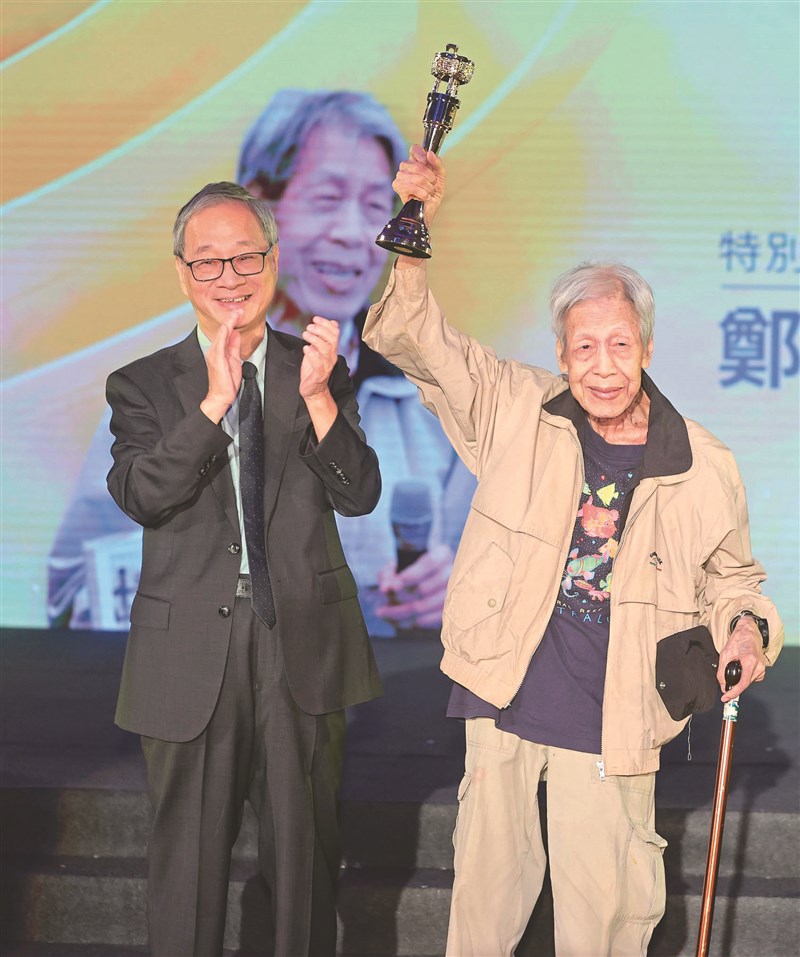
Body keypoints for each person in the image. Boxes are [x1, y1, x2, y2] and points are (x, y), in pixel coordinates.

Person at [362, 147, 784, 956]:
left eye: (619, 345)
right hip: (506, 697)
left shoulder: (703, 462)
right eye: (583, 347)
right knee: (482, 919)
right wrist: (414, 230)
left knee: (604, 924)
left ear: (647, 348)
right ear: (561, 354)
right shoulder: (515, 410)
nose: (602, 366)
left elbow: (734, 578)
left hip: (614, 713)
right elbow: (417, 338)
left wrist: (744, 627)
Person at [47, 90, 475, 636]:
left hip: (353, 668)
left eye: (373, 204)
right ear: (261, 212)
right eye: (326, 197)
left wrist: (448, 590)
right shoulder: (152, 387)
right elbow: (67, 590)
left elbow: (487, 573)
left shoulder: (426, 399)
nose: (351, 232)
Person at [107, 181, 382, 956]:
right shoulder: (142, 383)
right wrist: (213, 404)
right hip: (190, 650)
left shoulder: (317, 367)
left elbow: (360, 492)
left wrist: (320, 399)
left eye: (245, 258)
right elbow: (141, 494)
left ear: (273, 259)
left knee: (303, 862)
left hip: (300, 640)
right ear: (181, 273)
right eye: (208, 262)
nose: (228, 277)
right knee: (186, 870)